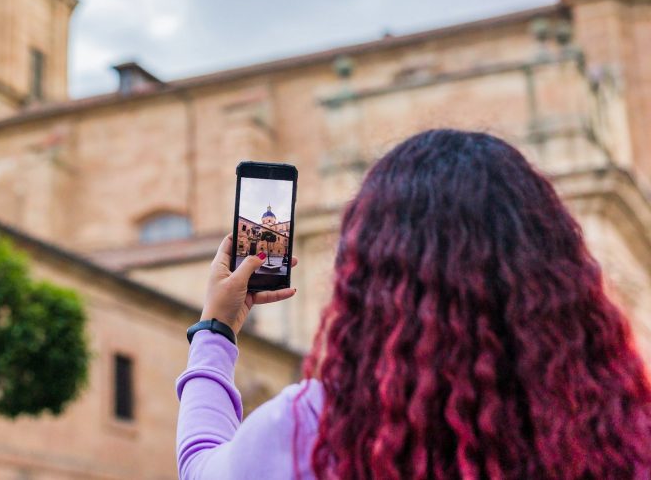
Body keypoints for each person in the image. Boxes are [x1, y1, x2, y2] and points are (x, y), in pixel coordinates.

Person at [177, 129, 651, 479]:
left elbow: (200, 465)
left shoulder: (314, 427)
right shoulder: (614, 428)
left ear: (369, 279)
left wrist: (217, 329)